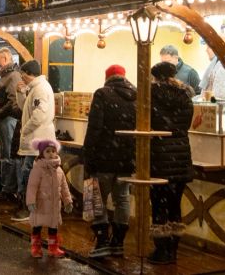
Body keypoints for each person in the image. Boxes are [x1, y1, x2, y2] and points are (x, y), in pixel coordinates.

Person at [82, 64, 136, 258]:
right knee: (122, 199)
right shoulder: (136, 95)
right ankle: (118, 242)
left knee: (96, 199)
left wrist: (88, 153)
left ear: (107, 77)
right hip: (126, 159)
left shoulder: (102, 94)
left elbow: (94, 128)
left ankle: (102, 241)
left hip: (103, 157)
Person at [147, 61, 195, 264]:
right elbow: (186, 125)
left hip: (159, 156)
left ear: (155, 77)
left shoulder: (151, 96)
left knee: (159, 205)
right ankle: (173, 250)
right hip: (181, 156)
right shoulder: (185, 97)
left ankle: (161, 250)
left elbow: (145, 122)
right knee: (175, 205)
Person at [13, 59, 56, 222]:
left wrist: (25, 130)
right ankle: (29, 206)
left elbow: (39, 115)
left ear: (29, 74)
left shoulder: (40, 89)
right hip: (35, 139)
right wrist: (20, 93)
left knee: (28, 174)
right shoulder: (35, 89)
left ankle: (28, 208)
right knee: (30, 174)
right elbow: (25, 107)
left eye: (23, 75)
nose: (22, 78)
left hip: (37, 140)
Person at [26, 138, 72, 258]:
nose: (51, 153)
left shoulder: (59, 170)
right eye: (48, 151)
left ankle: (53, 247)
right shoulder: (37, 169)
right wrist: (30, 201)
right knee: (37, 226)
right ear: (42, 154)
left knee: (53, 227)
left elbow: (64, 187)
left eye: (53, 151)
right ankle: (35, 247)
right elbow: (32, 186)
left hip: (54, 206)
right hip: (40, 204)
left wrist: (67, 201)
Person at [0, 48, 21, 204]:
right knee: (5, 155)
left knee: (7, 155)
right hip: (4, 120)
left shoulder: (12, 76)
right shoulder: (7, 76)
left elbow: (13, 100)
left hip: (7, 120)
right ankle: (6, 188)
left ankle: (8, 189)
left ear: (6, 58)